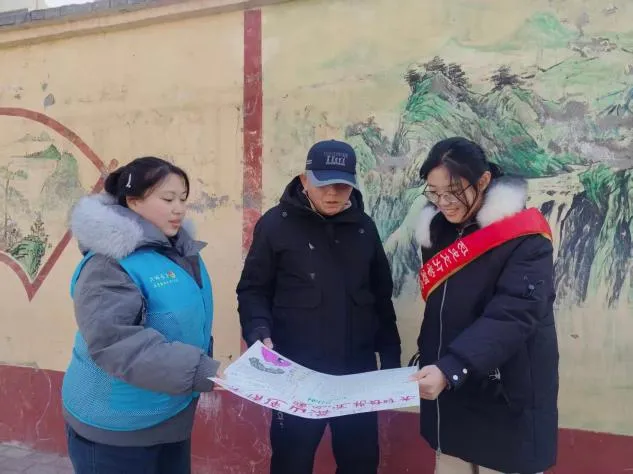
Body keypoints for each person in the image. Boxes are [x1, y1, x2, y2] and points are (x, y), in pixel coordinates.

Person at [237, 139, 402, 474]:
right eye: (323, 184)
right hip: (296, 372)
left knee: (360, 462)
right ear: (304, 179)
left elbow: (381, 298)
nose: (332, 194)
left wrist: (390, 361)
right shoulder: (276, 225)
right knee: (292, 462)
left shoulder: (364, 228)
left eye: (342, 186)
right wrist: (258, 331)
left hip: (355, 373)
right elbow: (253, 289)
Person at [61, 157, 220, 474]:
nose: (179, 209)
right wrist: (201, 370)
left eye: (183, 199)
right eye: (168, 199)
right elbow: (115, 343)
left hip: (168, 410)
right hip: (116, 425)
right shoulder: (108, 264)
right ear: (133, 201)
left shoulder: (179, 250)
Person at [410, 137, 559, 474]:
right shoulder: (437, 231)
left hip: (504, 390)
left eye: (453, 191)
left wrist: (452, 367)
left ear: (483, 181)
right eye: (434, 193)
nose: (444, 203)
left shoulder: (525, 237)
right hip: (449, 386)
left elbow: (514, 313)